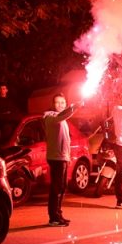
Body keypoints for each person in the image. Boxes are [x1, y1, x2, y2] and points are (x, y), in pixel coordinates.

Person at [42, 93, 79, 226]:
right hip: (55, 158)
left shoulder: (62, 120)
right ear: (53, 104)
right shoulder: (50, 117)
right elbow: (62, 115)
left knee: (62, 187)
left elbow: (65, 140)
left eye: (63, 103)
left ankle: (58, 214)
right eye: (57, 102)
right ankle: (53, 217)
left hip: (62, 158)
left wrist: (67, 157)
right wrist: (74, 108)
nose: (60, 105)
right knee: (56, 188)